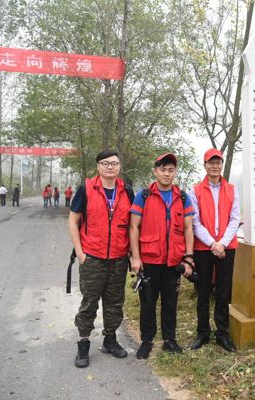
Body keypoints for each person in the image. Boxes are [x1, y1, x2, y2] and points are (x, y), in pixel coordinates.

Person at [67, 150, 135, 368]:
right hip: (93, 258)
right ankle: (83, 342)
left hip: (118, 258)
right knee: (89, 303)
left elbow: (133, 225)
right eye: (105, 163)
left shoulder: (127, 191)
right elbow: (73, 221)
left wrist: (132, 253)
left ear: (119, 166)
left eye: (114, 163)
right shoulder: (86, 189)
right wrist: (80, 253)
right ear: (98, 166)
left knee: (114, 303)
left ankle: (110, 340)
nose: (110, 167)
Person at [129, 152, 195, 359]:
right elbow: (133, 227)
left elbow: (188, 228)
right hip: (149, 259)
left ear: (175, 172)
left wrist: (188, 257)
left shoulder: (182, 197)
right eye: (163, 169)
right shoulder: (143, 196)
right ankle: (146, 341)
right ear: (155, 171)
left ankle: (169, 340)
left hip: (173, 261)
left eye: (171, 170)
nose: (167, 174)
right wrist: (136, 257)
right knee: (148, 303)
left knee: (170, 302)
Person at [188, 148, 240, 352]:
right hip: (204, 247)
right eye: (211, 162)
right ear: (205, 165)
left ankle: (222, 333)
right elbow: (195, 221)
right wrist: (212, 243)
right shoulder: (195, 190)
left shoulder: (232, 189)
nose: (215, 166)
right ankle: (202, 332)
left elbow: (235, 219)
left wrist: (222, 244)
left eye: (218, 162)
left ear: (222, 165)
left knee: (224, 291)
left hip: (227, 247)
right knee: (203, 290)